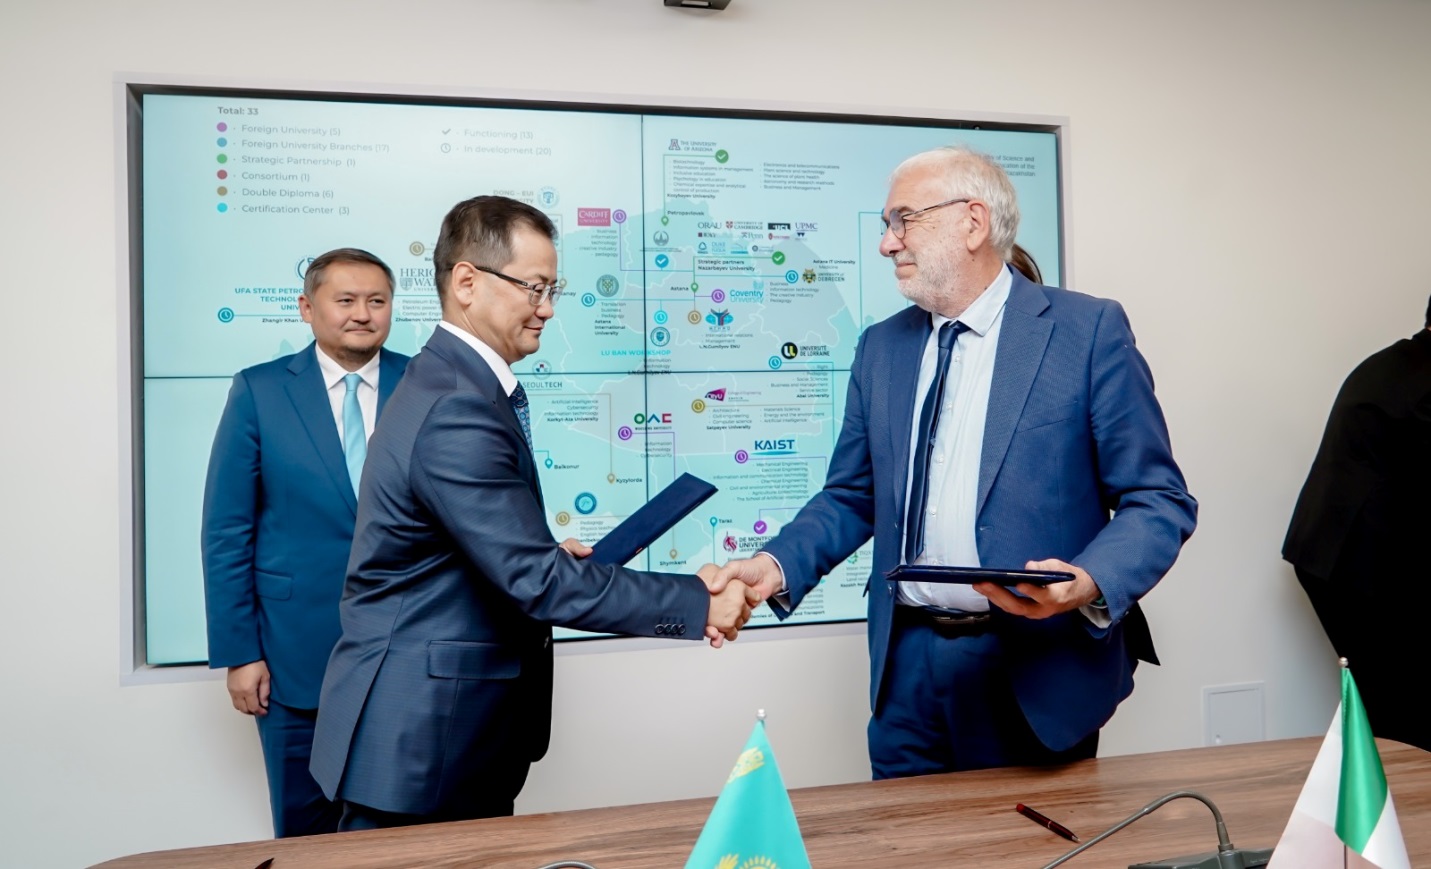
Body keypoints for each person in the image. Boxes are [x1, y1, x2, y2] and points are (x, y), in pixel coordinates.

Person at [714, 146, 1197, 777]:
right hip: (906, 668)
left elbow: (1158, 500)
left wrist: (1088, 581)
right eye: (886, 225)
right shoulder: (881, 347)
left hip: (1034, 667)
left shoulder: (1087, 333)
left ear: (973, 222)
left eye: (903, 220)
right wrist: (774, 565)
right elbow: (853, 495)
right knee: (905, 832)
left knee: (1022, 836)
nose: (887, 243)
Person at [310, 195, 753, 830]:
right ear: (467, 282)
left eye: (553, 290)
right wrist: (697, 603)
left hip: (436, 730)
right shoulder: (457, 405)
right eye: (534, 288)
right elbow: (537, 581)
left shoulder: (447, 382)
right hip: (421, 740)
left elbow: (468, 550)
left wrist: (538, 552)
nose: (547, 308)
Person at [202, 247, 409, 837]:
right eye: (345, 300)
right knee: (304, 835)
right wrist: (240, 653)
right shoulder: (260, 390)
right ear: (307, 307)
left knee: (404, 835)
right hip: (293, 656)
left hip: (406, 652)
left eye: (376, 301)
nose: (362, 314)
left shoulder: (425, 383)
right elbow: (226, 530)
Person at [1282, 297, 1431, 751]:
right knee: (1405, 705)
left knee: (1396, 698)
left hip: (1336, 554)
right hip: (1356, 565)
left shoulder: (1401, 361)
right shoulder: (1422, 382)